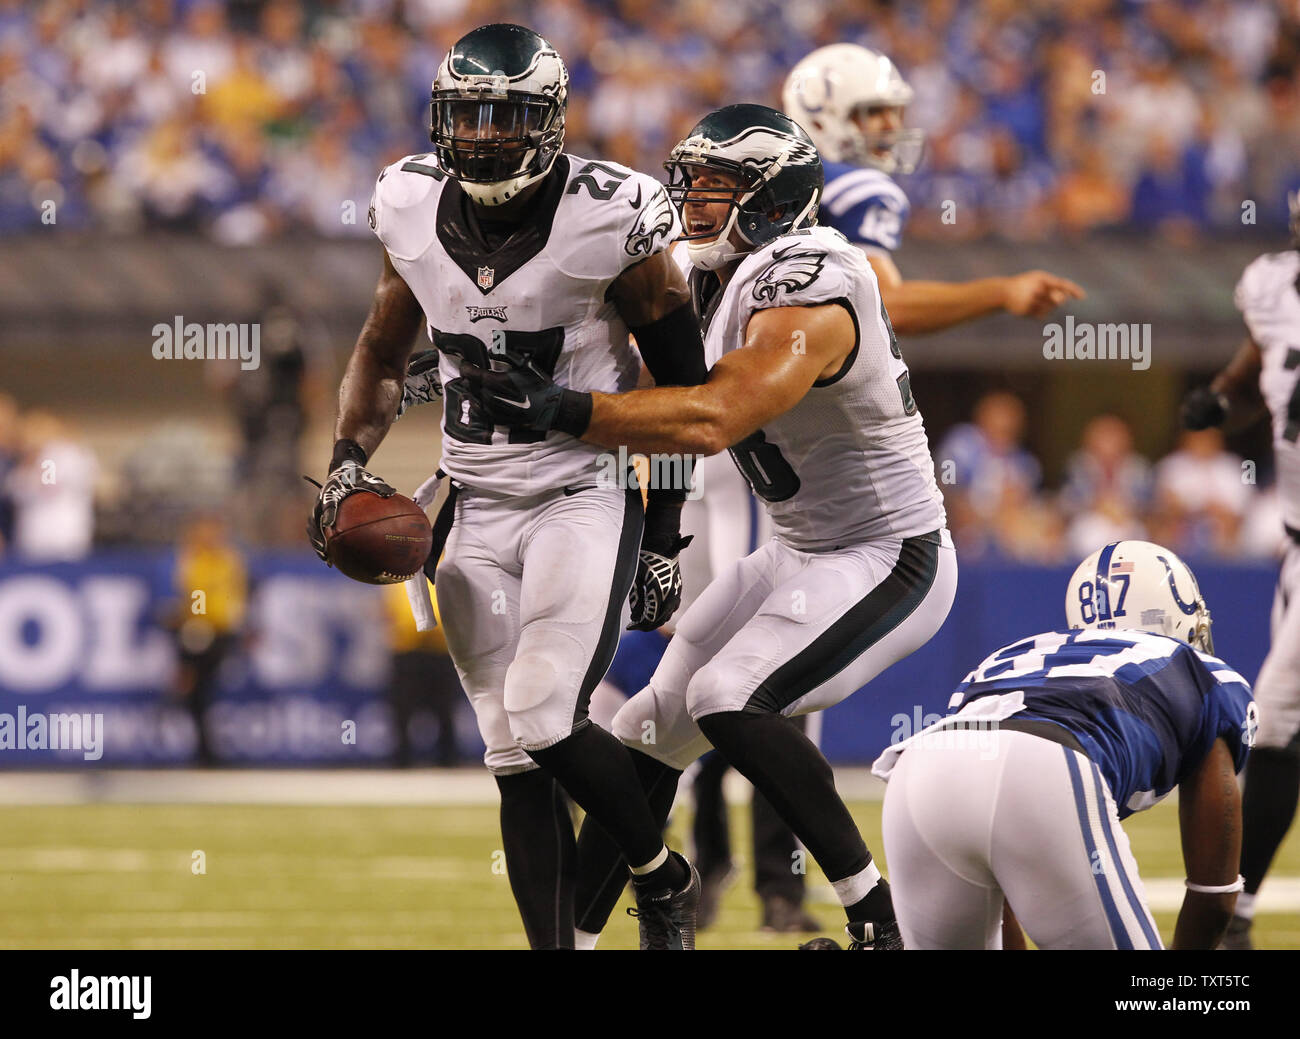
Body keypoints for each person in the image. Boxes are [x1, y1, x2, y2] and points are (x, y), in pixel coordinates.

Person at [465, 103, 957, 950]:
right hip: (799, 548)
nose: (690, 203)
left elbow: (713, 418)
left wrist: (564, 409)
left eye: (716, 187)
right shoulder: (699, 272)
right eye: (687, 183)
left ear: (774, 199)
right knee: (643, 731)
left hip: (890, 552)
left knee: (730, 696)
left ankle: (876, 918)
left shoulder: (814, 277)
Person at [306, 24, 706, 950]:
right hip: (471, 498)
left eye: (504, 116)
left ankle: (661, 873)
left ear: (550, 121)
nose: (482, 136)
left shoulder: (615, 213)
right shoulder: (407, 203)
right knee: (511, 758)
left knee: (541, 714)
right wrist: (345, 466)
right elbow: (380, 349)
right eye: (467, 115)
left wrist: (665, 533)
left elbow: (685, 396)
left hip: (582, 491)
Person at [872, 540, 1255, 950]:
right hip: (1044, 764)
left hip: (920, 770)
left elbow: (1001, 890)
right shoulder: (1204, 674)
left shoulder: (1009, 657)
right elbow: (1213, 896)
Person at [1180, 193, 1300, 947]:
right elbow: (1269, 361)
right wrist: (1223, 396)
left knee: (1279, 719)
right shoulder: (1271, 284)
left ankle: (1236, 915)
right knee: (1284, 723)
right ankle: (1239, 913)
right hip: (1296, 542)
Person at [781, 44, 1083, 335]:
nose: (891, 126)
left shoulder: (776, 174)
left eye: (894, 112)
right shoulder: (857, 187)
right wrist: (1002, 293)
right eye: (873, 112)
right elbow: (885, 306)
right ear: (820, 121)